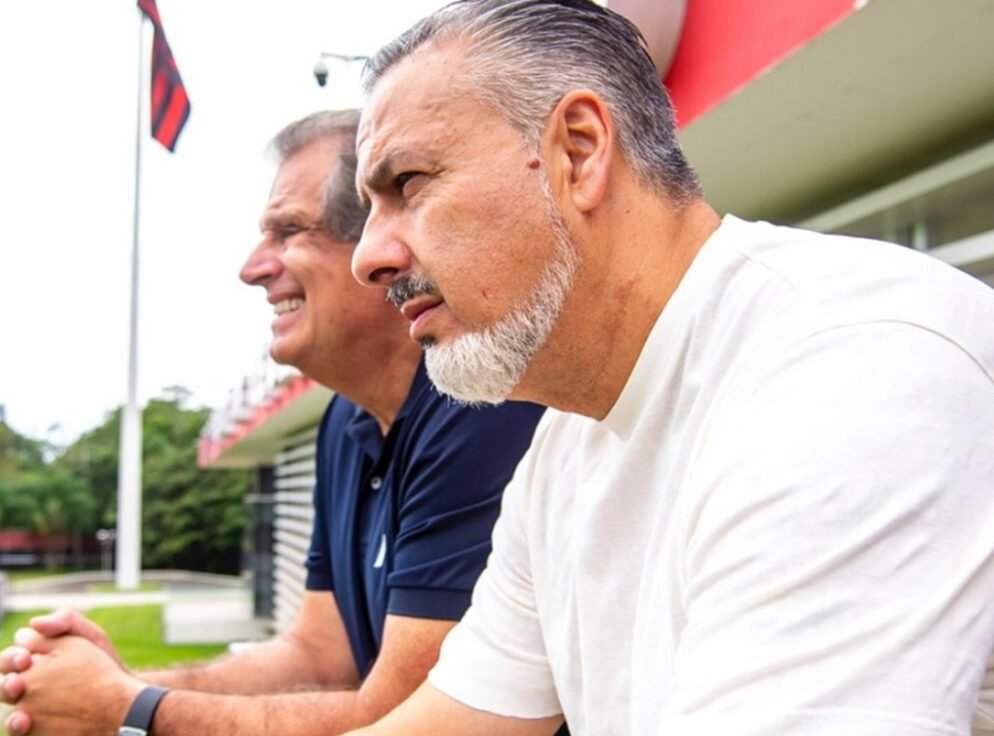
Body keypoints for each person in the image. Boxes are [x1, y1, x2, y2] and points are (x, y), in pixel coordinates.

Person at [346, 1, 994, 734]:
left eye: (409, 183)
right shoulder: (567, 443)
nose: (369, 258)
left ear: (580, 151)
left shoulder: (851, 366)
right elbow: (458, 721)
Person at [0, 109, 546, 736]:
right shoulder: (344, 421)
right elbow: (318, 657)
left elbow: (402, 715)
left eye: (288, 232)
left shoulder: (480, 409)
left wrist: (127, 711)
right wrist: (127, 684)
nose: (253, 267)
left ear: (380, 253)